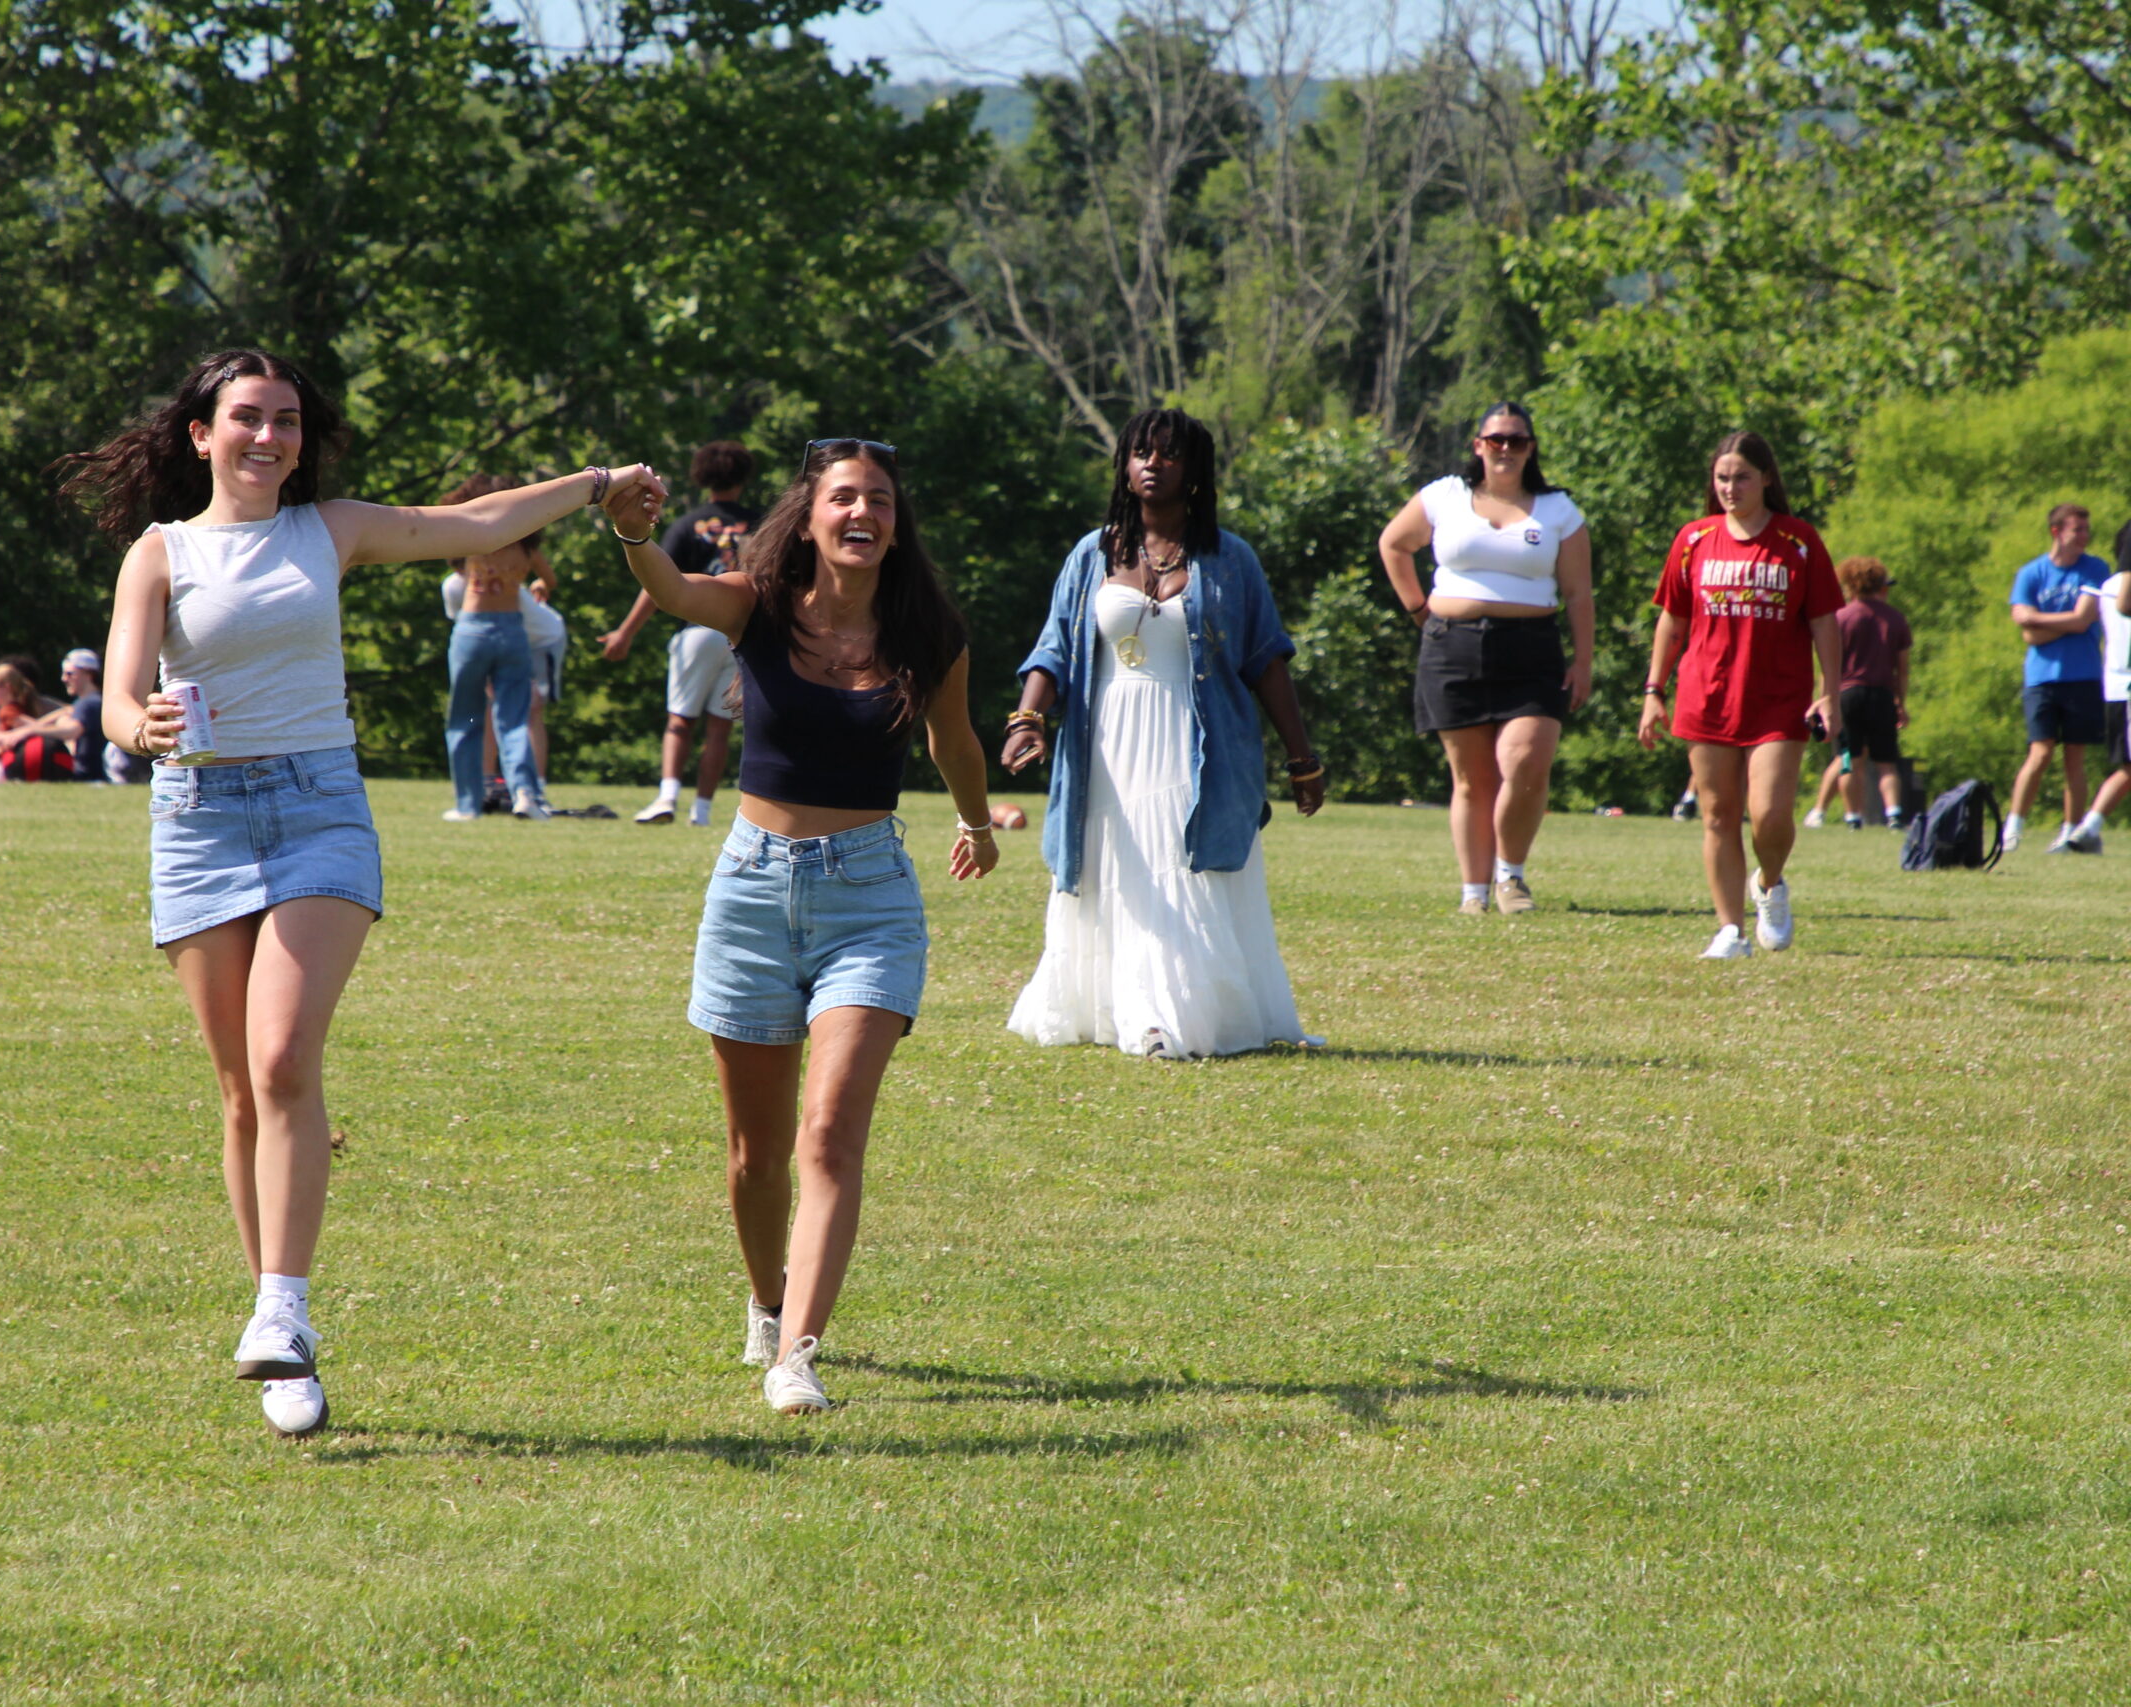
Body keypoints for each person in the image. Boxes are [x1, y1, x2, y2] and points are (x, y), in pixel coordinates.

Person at [59, 345, 656, 1439]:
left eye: (286, 420)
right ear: (202, 435)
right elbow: (119, 688)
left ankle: (283, 1313)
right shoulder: (159, 553)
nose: (269, 436)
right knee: (243, 1091)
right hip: (197, 823)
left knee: (284, 1058)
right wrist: (132, 723)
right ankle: (278, 1340)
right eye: (247, 418)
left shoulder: (325, 529)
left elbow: (468, 524)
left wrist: (595, 486)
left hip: (319, 810)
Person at [600, 437, 996, 1416]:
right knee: (754, 1153)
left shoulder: (928, 632)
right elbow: (676, 590)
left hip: (871, 900)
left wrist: (979, 822)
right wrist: (632, 534)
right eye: (845, 499)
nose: (864, 514)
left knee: (828, 1136)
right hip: (747, 893)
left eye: (881, 502)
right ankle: (767, 1303)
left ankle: (798, 1356)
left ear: (896, 526)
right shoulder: (756, 608)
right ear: (810, 516)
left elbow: (954, 740)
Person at [1002, 406, 1327, 1059]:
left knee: (1181, 863)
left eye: (1169, 453)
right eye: (1141, 452)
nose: (1152, 464)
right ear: (1125, 464)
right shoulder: (1092, 554)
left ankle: (1166, 1017)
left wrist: (1301, 758)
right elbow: (1054, 649)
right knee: (1118, 866)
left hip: (1198, 746)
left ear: (1195, 469)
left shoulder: (1231, 559)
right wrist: (1027, 718)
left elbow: (1266, 659)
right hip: (1106, 747)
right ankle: (1120, 1008)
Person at [1376, 401, 1592, 914]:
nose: (1505, 448)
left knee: (1525, 762)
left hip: (1532, 648)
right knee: (1472, 779)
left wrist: (1583, 662)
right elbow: (1393, 544)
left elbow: (1580, 594)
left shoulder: (1559, 510)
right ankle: (1473, 893)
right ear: (1478, 445)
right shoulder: (1445, 495)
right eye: (1496, 439)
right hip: (1452, 646)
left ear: (1530, 449)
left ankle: (1510, 877)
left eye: (1517, 440)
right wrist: (1419, 611)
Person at [1638, 431, 1845, 959]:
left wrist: (1830, 694)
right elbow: (1672, 618)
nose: (1731, 487)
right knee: (1716, 814)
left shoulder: (1798, 541)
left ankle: (1770, 884)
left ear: (1767, 479)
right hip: (1706, 695)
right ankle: (1731, 930)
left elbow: (1825, 621)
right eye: (1722, 477)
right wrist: (1654, 690)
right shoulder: (1693, 540)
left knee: (1770, 814)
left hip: (1779, 698)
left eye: (1743, 477)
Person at [602, 441, 762, 826]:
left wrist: (625, 633)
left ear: (702, 476)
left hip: (697, 630)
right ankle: (701, 812)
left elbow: (658, 583)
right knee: (720, 725)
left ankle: (666, 798)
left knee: (680, 719)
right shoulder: (760, 522)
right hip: (742, 633)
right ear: (743, 477)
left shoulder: (690, 523)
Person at [437, 473, 552, 821]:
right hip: (512, 631)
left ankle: (468, 804)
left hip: (472, 631)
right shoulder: (526, 545)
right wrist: (539, 586)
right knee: (514, 718)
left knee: (466, 717)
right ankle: (525, 794)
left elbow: (453, 568)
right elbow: (550, 579)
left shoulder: (473, 536)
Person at [2001, 503, 2109, 854]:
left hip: (2084, 675)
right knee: (2040, 752)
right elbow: (2020, 617)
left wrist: (2038, 624)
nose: (2084, 536)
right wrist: (2045, 624)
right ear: (2056, 532)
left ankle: (2069, 832)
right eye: (2077, 529)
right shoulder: (2031, 573)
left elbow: (2083, 619)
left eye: (2085, 529)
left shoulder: (2095, 568)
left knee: (2074, 757)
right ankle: (2013, 827)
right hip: (2041, 678)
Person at [1822, 555, 1913, 832]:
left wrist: (1826, 699)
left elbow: (1828, 665)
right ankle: (1894, 814)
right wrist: (1901, 702)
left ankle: (1853, 817)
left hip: (1847, 696)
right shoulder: (1895, 619)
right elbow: (1903, 669)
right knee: (1886, 762)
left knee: (1849, 759)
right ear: (1881, 586)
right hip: (1882, 696)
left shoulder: (1840, 617)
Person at [2061, 525, 2131, 853]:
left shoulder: (2107, 585)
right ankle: (2087, 828)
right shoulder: (2122, 589)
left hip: (2115, 687)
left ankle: (2087, 828)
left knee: (2127, 768)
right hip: (2127, 686)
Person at [0, 661, 76, 781]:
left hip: (9, 765)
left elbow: (34, 727)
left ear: (7, 687)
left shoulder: (8, 711)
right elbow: (37, 725)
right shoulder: (17, 707)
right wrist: (61, 713)